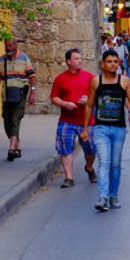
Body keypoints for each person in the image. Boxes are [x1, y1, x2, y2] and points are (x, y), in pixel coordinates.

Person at [85, 49, 130, 211]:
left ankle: (113, 195)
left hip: (118, 128)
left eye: (115, 62)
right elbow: (89, 105)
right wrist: (85, 128)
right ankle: (102, 197)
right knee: (104, 162)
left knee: (115, 164)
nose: (113, 64)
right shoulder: (96, 82)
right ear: (102, 64)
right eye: (109, 61)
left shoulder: (124, 81)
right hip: (101, 128)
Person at [49, 48, 97, 188]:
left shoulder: (89, 77)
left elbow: (97, 95)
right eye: (76, 58)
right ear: (69, 61)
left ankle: (89, 167)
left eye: (80, 58)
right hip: (67, 120)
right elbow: (54, 98)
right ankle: (69, 178)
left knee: (91, 149)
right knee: (65, 148)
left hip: (87, 121)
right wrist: (65, 104)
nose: (80, 60)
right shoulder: (60, 79)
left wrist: (88, 100)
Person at [0, 37, 35, 161]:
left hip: (20, 95)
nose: (8, 48)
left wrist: (32, 93)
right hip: (6, 96)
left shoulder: (24, 58)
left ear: (15, 46)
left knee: (15, 120)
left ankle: (11, 149)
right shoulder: (1, 60)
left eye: (10, 46)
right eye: (6, 46)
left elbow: (32, 76)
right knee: (7, 122)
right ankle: (17, 145)